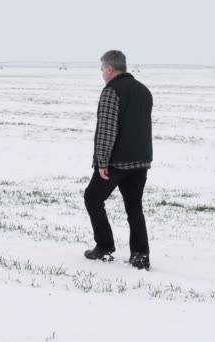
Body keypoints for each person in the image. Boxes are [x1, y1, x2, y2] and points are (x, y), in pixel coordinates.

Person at [84, 50, 153, 270]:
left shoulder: (111, 91)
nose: (102, 73)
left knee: (92, 198)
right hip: (141, 161)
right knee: (134, 208)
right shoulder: (144, 91)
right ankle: (141, 255)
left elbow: (107, 130)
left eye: (103, 69)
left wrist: (102, 162)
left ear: (110, 69)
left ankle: (104, 246)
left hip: (116, 163)